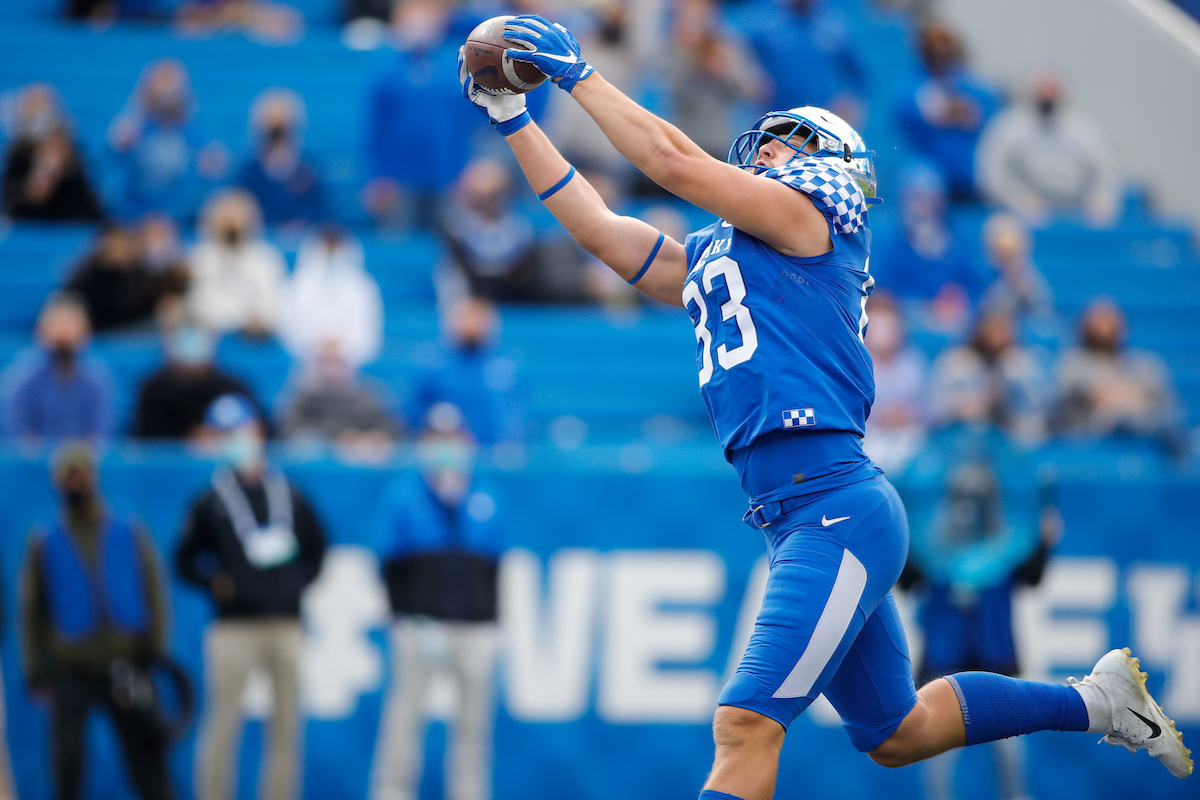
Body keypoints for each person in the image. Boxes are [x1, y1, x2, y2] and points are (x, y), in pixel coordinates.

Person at [457, 15, 1194, 798]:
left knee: (744, 725)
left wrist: (580, 76)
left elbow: (672, 162)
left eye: (781, 143)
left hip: (831, 505)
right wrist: (514, 120)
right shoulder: (730, 252)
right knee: (897, 732)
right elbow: (603, 231)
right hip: (798, 511)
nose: (762, 153)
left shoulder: (816, 218)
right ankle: (1098, 701)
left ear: (828, 159)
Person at [176, 394, 326, 800]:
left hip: (285, 624)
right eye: (225, 434)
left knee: (287, 726)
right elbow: (184, 560)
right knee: (223, 723)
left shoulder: (289, 494)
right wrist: (216, 584)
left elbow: (318, 547)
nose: (235, 441)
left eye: (239, 431)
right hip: (234, 627)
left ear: (258, 431)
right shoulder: (210, 501)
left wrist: (295, 585)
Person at [899, 429, 1062, 800]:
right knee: (938, 750)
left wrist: (1044, 541)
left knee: (1007, 748)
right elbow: (908, 581)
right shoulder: (933, 546)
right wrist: (905, 540)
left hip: (994, 654)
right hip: (944, 656)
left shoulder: (1008, 545)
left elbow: (1032, 577)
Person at [21, 441, 171, 800]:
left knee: (147, 760)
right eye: (68, 476)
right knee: (67, 763)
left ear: (93, 477)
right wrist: (35, 667)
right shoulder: (45, 539)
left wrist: (155, 648)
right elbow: (32, 608)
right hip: (70, 667)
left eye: (80, 475)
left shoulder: (128, 529)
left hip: (125, 661)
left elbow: (153, 589)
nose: (75, 483)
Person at [370, 403, 505, 800]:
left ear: (467, 442)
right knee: (403, 721)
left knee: (473, 728)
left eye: (452, 438)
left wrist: (491, 621)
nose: (445, 448)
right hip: (420, 625)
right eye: (436, 439)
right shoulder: (404, 496)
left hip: (473, 626)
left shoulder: (487, 497)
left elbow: (495, 566)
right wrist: (402, 617)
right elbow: (389, 564)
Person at [363, 0, 477, 229]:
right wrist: (378, 177)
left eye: (426, 19)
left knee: (449, 241)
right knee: (398, 240)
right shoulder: (386, 68)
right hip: (399, 180)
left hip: (447, 174)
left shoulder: (455, 65)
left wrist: (465, 169)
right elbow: (376, 128)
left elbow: (467, 124)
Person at [976, 70, 1119, 227]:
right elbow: (990, 172)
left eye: (1052, 90)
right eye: (1042, 90)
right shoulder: (1008, 126)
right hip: (1020, 213)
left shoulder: (1085, 129)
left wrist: (1098, 199)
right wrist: (1016, 199)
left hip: (1077, 212)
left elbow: (1105, 170)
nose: (1047, 96)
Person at [1053, 299, 1185, 454]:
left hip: (1143, 426)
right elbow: (1069, 394)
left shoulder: (1143, 364)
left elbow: (1166, 402)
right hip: (1092, 434)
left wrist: (1129, 397)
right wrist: (1109, 395)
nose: (1103, 328)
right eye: (1097, 321)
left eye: (1109, 321)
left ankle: (1181, 460)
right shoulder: (1072, 361)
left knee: (1166, 421)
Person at [107, 59, 227, 222]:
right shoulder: (135, 123)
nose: (166, 97)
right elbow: (113, 160)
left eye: (173, 90)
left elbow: (215, 164)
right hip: (135, 213)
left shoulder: (194, 127)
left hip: (180, 215)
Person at [893, 23, 999, 204]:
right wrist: (944, 112)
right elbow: (905, 115)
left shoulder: (971, 85)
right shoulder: (913, 87)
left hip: (968, 166)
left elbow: (986, 114)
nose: (941, 54)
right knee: (921, 181)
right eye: (935, 50)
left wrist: (961, 111)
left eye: (946, 49)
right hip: (931, 165)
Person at [408, 296, 525, 449]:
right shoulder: (434, 368)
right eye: (467, 318)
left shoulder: (506, 370)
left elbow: (518, 417)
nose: (472, 324)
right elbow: (414, 413)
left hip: (496, 454)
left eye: (478, 319)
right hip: (451, 455)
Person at [928, 311, 1049, 446]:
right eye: (992, 326)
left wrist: (1008, 391)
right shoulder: (958, 361)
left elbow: (1035, 410)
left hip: (1008, 438)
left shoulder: (1020, 363)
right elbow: (935, 406)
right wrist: (962, 405)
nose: (996, 335)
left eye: (1002, 328)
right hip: (962, 436)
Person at [4, 293, 111, 441]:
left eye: (71, 324)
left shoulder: (97, 379)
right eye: (58, 323)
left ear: (86, 329)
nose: (64, 331)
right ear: (41, 328)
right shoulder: (22, 377)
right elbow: (17, 430)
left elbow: (100, 431)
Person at [132, 319, 260, 440]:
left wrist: (224, 437)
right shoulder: (153, 390)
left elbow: (259, 430)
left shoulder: (233, 387)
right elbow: (146, 441)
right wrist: (191, 439)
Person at [276, 226, 383, 369]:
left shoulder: (363, 287)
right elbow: (288, 329)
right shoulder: (297, 286)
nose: (331, 255)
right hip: (305, 365)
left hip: (350, 367)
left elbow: (368, 334)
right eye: (327, 248)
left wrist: (342, 347)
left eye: (335, 249)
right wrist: (318, 346)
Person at [187, 188, 286, 336]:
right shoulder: (200, 258)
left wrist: (259, 318)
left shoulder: (266, 258)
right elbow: (196, 304)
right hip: (212, 335)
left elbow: (273, 302)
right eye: (226, 220)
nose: (232, 226)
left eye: (237, 219)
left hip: (254, 336)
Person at [437, 158, 538, 303]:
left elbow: (525, 277)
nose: (486, 203)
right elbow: (450, 275)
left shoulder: (520, 230)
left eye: (493, 196)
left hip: (514, 303)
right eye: (479, 197)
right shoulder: (452, 230)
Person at [3, 86, 103, 223]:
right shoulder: (18, 152)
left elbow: (85, 204)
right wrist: (27, 189)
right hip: (25, 223)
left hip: (66, 223)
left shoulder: (69, 152)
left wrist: (62, 172)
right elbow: (8, 196)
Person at [236, 89, 326, 231]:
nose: (277, 139)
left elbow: (320, 209)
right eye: (273, 133)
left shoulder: (308, 170)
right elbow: (241, 206)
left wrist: (300, 223)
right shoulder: (248, 172)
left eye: (283, 132)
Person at [278, 344, 398, 448]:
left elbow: (389, 427)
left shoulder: (367, 396)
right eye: (325, 363)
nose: (332, 370)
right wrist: (337, 438)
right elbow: (289, 430)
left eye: (338, 363)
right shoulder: (302, 398)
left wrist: (374, 437)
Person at [65, 224, 162, 333]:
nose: (120, 248)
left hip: (136, 331)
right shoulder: (88, 274)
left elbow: (149, 305)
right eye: (116, 243)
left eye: (124, 243)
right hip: (99, 331)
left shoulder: (140, 273)